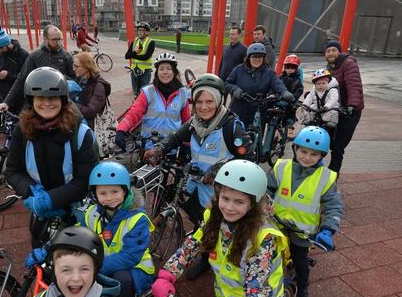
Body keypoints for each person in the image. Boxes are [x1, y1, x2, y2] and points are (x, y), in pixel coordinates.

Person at [152, 159, 285, 297]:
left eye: (239, 202)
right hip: (225, 295)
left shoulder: (263, 239)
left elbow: (256, 287)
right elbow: (191, 246)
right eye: (225, 198)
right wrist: (168, 274)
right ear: (217, 195)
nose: (229, 207)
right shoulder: (214, 217)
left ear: (253, 204)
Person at [4, 67, 98, 247]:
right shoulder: (22, 130)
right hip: (40, 211)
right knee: (40, 254)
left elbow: (85, 180)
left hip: (75, 211)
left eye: (53, 98)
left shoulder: (80, 133)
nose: (47, 103)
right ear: (31, 100)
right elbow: (13, 171)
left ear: (63, 100)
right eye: (40, 98)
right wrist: (32, 191)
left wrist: (51, 200)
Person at [144, 74, 249, 228]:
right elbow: (175, 138)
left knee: (215, 233)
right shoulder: (194, 123)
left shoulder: (232, 127)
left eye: (209, 101)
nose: (203, 107)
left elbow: (247, 160)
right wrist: (159, 149)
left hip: (222, 198)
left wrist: (218, 171)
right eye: (199, 102)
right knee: (198, 227)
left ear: (219, 100)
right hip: (198, 190)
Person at [267, 126, 343, 297]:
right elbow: (266, 189)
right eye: (303, 151)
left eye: (314, 154)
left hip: (302, 232)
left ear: (322, 156)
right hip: (275, 224)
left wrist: (328, 229)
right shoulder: (281, 167)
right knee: (264, 255)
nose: (307, 157)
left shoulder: (325, 178)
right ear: (295, 149)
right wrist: (262, 203)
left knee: (301, 262)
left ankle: (302, 289)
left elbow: (334, 205)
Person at [74, 161, 154, 297]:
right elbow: (77, 235)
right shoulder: (92, 214)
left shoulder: (137, 218)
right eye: (102, 192)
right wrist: (51, 248)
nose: (109, 197)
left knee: (121, 278)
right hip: (105, 262)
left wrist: (97, 266)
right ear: (94, 193)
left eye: (115, 191)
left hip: (136, 267)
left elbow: (131, 256)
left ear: (125, 191)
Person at [115, 52, 191, 151]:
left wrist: (188, 143)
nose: (165, 72)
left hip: (172, 147)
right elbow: (134, 113)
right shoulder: (148, 91)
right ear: (157, 72)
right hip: (149, 147)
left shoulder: (183, 93)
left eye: (168, 68)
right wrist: (121, 130)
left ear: (174, 72)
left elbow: (187, 122)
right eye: (161, 69)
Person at [0, 25, 75, 114]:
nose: (58, 42)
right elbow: (22, 79)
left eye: (60, 39)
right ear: (45, 39)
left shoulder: (66, 56)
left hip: (59, 102)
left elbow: (75, 79)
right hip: (39, 102)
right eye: (54, 39)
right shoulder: (34, 57)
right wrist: (7, 102)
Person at [225, 43, 294, 126]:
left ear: (263, 58)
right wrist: (235, 90)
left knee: (257, 135)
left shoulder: (269, 73)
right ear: (248, 57)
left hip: (259, 110)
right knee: (235, 135)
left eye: (260, 56)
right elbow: (228, 83)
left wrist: (284, 92)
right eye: (254, 56)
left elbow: (278, 84)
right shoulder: (238, 69)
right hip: (239, 109)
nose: (257, 59)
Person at [323, 39, 364, 174]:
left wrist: (352, 105)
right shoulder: (330, 67)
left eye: (334, 50)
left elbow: (354, 85)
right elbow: (324, 86)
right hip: (335, 111)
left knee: (338, 148)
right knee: (325, 141)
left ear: (339, 51)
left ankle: (333, 179)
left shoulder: (348, 63)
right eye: (328, 51)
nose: (330, 53)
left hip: (349, 111)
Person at [72, 52, 110, 130]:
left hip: (93, 129)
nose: (73, 69)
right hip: (82, 124)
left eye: (76, 66)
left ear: (87, 67)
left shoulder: (99, 86)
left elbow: (90, 112)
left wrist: (71, 104)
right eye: (73, 65)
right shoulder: (80, 79)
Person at [298, 69, 340, 134]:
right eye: (318, 84)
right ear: (315, 84)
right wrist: (305, 105)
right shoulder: (314, 91)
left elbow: (333, 99)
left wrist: (327, 106)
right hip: (317, 107)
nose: (321, 85)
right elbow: (309, 98)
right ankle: (308, 121)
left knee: (332, 113)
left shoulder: (332, 90)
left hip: (329, 108)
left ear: (328, 82)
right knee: (309, 111)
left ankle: (331, 123)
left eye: (323, 83)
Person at [125, 22, 155, 97]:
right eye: (139, 30)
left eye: (142, 30)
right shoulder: (134, 42)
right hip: (134, 70)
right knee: (136, 92)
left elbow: (146, 57)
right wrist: (135, 52)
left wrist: (133, 55)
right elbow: (127, 56)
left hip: (146, 71)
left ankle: (144, 106)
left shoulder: (151, 42)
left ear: (147, 32)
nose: (140, 32)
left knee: (144, 92)